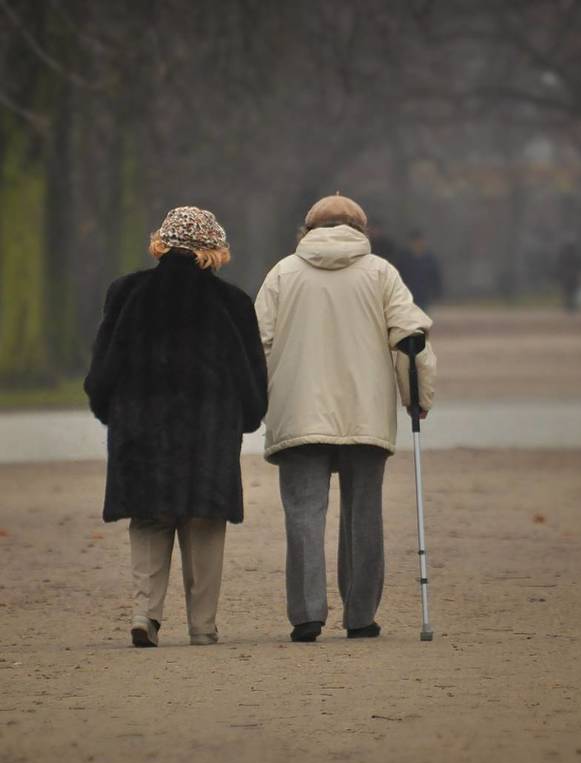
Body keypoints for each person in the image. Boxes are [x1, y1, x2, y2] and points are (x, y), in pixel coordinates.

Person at [254, 194, 436, 643]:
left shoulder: (282, 273)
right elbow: (411, 341)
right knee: (364, 513)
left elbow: (257, 343)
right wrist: (417, 397)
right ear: (363, 230)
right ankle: (360, 615)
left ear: (307, 230)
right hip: (365, 413)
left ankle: (307, 614)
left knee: (303, 514)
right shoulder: (382, 274)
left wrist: (253, 403)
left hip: (298, 411)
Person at [84, 206, 268, 648]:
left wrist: (111, 411)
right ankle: (202, 626)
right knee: (204, 522)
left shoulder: (125, 292)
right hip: (209, 429)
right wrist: (247, 417)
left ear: (161, 244)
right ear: (214, 250)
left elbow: (102, 370)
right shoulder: (232, 302)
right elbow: (251, 376)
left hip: (140, 428)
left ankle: (145, 614)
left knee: (149, 519)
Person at [397, 229, 443, 309]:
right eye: (415, 241)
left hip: (424, 295)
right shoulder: (404, 258)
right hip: (407, 295)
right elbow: (399, 275)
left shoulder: (429, 258)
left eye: (420, 241)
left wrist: (436, 292)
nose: (418, 244)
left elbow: (435, 276)